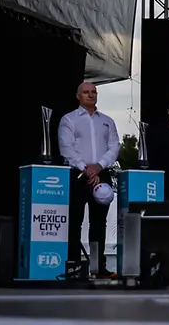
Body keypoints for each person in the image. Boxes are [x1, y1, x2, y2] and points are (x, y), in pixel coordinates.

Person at [57, 82, 119, 277]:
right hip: (77, 174)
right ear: (78, 96)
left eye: (94, 92)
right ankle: (74, 265)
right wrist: (84, 168)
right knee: (75, 221)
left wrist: (98, 166)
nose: (90, 95)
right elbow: (66, 147)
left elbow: (114, 147)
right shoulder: (69, 119)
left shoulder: (107, 121)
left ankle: (98, 267)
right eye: (86, 92)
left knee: (99, 222)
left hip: (102, 173)